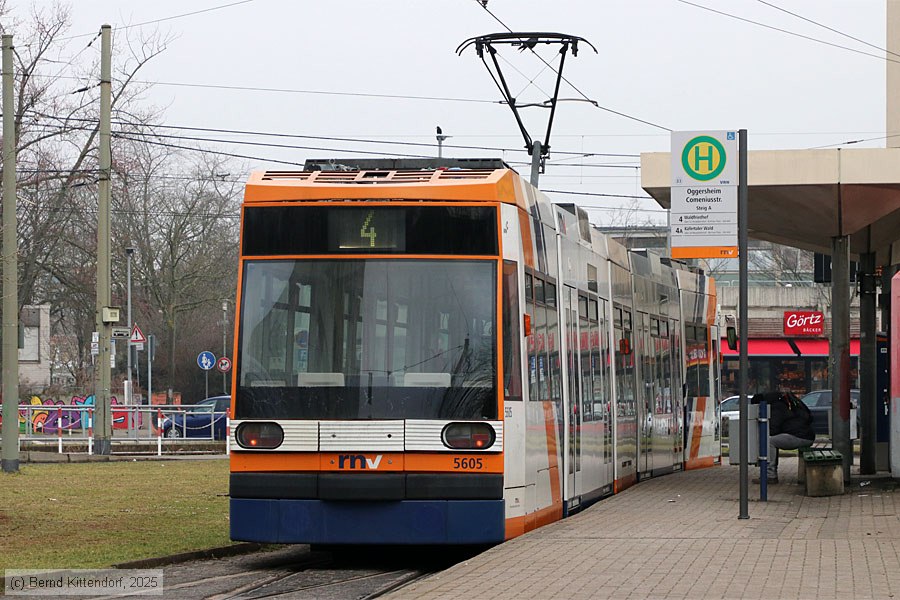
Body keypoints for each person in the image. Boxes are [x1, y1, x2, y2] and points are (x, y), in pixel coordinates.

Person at [751, 391, 815, 484]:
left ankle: (770, 475)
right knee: (773, 441)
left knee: (769, 441)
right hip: (805, 435)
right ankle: (770, 473)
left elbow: (773, 430)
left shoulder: (775, 408)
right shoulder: (781, 403)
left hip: (800, 436)